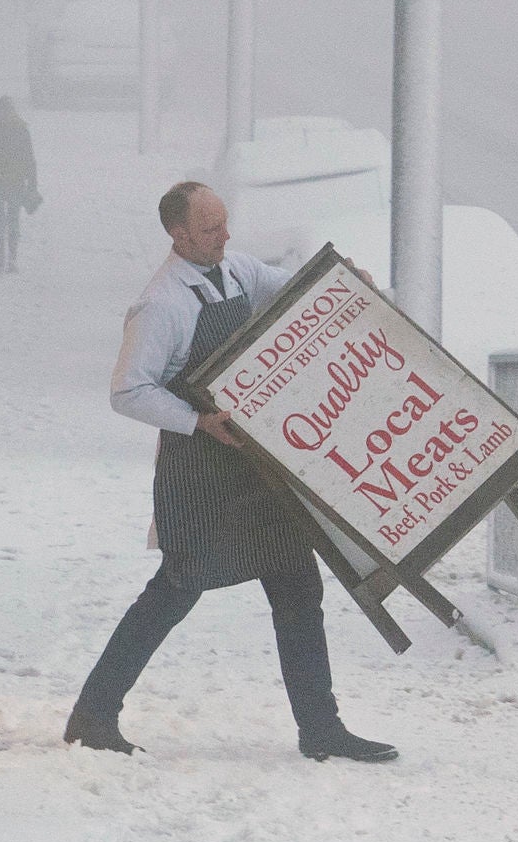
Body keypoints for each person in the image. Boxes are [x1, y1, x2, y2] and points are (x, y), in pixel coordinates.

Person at [65, 179, 398, 764]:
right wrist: (198, 420)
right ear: (179, 234)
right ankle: (93, 715)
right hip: (199, 474)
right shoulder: (161, 304)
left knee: (297, 585)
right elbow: (128, 391)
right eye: (212, 228)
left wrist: (342, 283)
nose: (226, 236)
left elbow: (295, 291)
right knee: (175, 590)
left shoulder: (237, 269)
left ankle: (321, 729)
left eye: (224, 224)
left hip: (255, 471)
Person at [0, 97, 41, 275]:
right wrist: (32, 185)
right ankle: (11, 259)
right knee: (13, 222)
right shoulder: (20, 128)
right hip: (15, 183)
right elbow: (29, 159)